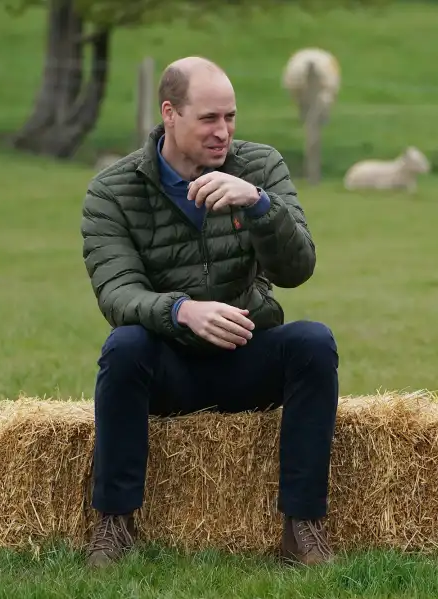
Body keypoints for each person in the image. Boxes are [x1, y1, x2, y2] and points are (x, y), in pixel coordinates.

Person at [80, 56, 339, 568]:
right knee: (124, 346)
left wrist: (261, 206)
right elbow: (117, 294)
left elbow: (298, 269)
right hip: (169, 367)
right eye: (209, 119)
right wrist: (181, 311)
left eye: (231, 117)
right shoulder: (111, 191)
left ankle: (302, 528)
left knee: (313, 342)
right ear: (169, 113)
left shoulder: (260, 166)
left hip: (247, 355)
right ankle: (114, 525)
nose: (223, 132)